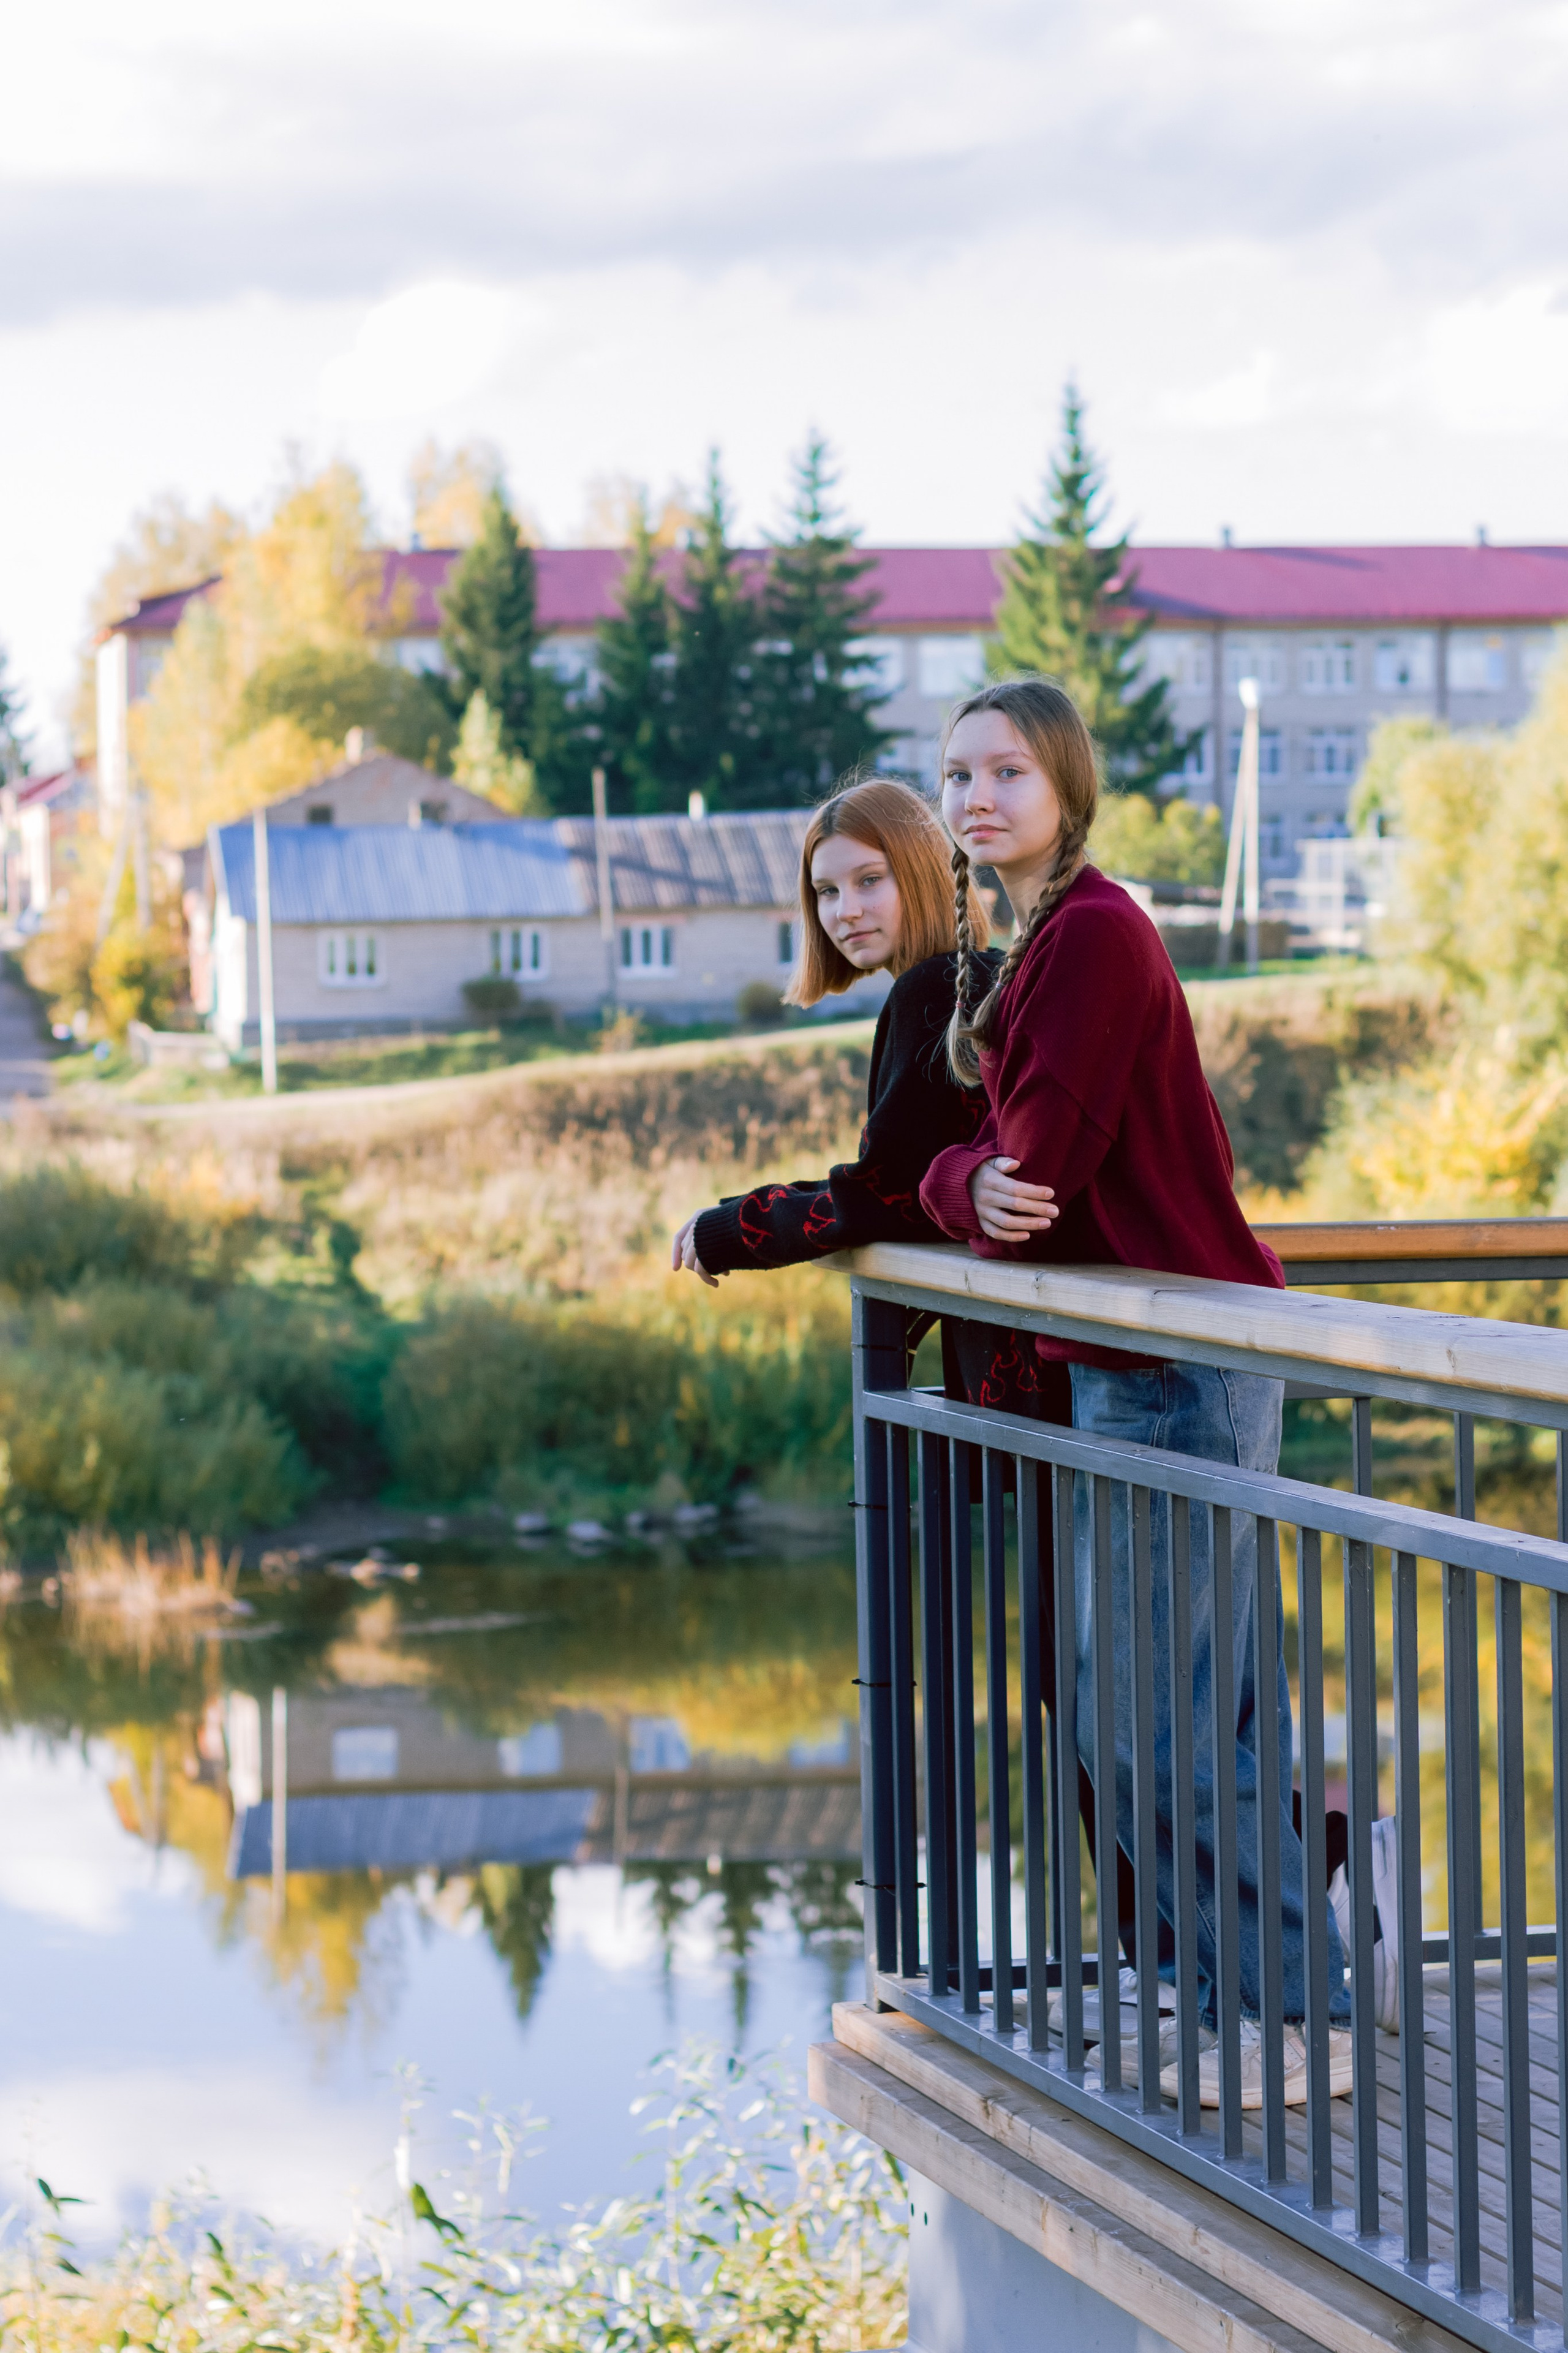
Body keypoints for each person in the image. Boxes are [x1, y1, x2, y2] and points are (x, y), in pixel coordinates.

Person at [918, 676, 1351, 2107]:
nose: (977, 797)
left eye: (1007, 772)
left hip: (1170, 1367)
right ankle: (1242, 2003)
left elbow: (1029, 1183)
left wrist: (963, 1182)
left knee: (1145, 1729)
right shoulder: (1042, 941)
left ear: (1066, 789)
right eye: (957, 775)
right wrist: (958, 1179)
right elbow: (985, 1174)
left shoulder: (1093, 937)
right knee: (1188, 1722)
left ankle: (1298, 2017)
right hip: (1150, 1360)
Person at [674, 774, 1138, 1972]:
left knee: (1099, 1690)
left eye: (868, 880)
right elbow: (925, 1189)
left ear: (928, 872)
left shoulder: (945, 988)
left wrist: (727, 1228)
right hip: (1048, 1382)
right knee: (1093, 1684)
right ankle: (1192, 1937)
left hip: (1055, 1385)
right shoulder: (948, 986)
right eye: (826, 891)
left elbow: (882, 1190)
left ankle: (1249, 1912)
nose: (844, 910)